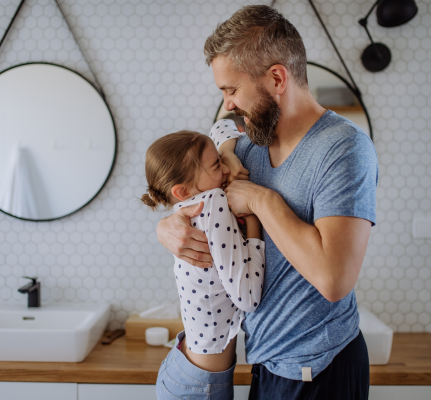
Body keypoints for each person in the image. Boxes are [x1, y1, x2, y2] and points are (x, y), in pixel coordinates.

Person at [156, 5, 378, 400]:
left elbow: (333, 279)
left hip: (318, 367)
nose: (228, 104)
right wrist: (168, 226)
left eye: (232, 90)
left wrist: (260, 199)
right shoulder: (249, 148)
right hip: (266, 361)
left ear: (277, 77)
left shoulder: (343, 148)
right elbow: (207, 157)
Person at [140, 127, 265, 400]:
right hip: (200, 387)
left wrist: (228, 155)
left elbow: (221, 126)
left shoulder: (188, 204)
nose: (225, 171)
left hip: (185, 371)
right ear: (182, 190)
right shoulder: (213, 201)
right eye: (216, 165)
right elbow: (248, 298)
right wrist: (255, 222)